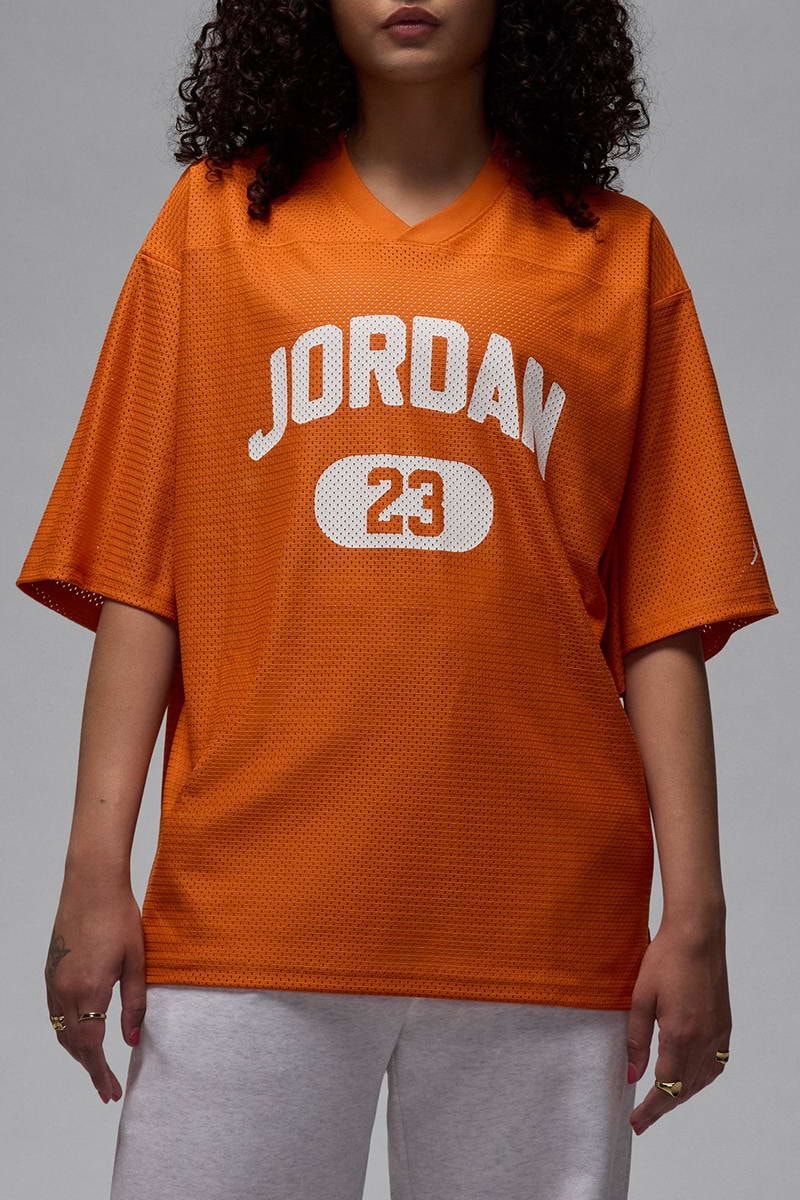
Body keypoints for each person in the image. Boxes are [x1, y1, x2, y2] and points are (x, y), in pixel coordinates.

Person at [16, 2, 779, 1198]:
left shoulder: (616, 254)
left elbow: (662, 618)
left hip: (540, 915)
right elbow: (138, 578)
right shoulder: (209, 227)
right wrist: (90, 870)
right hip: (251, 903)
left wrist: (696, 917)